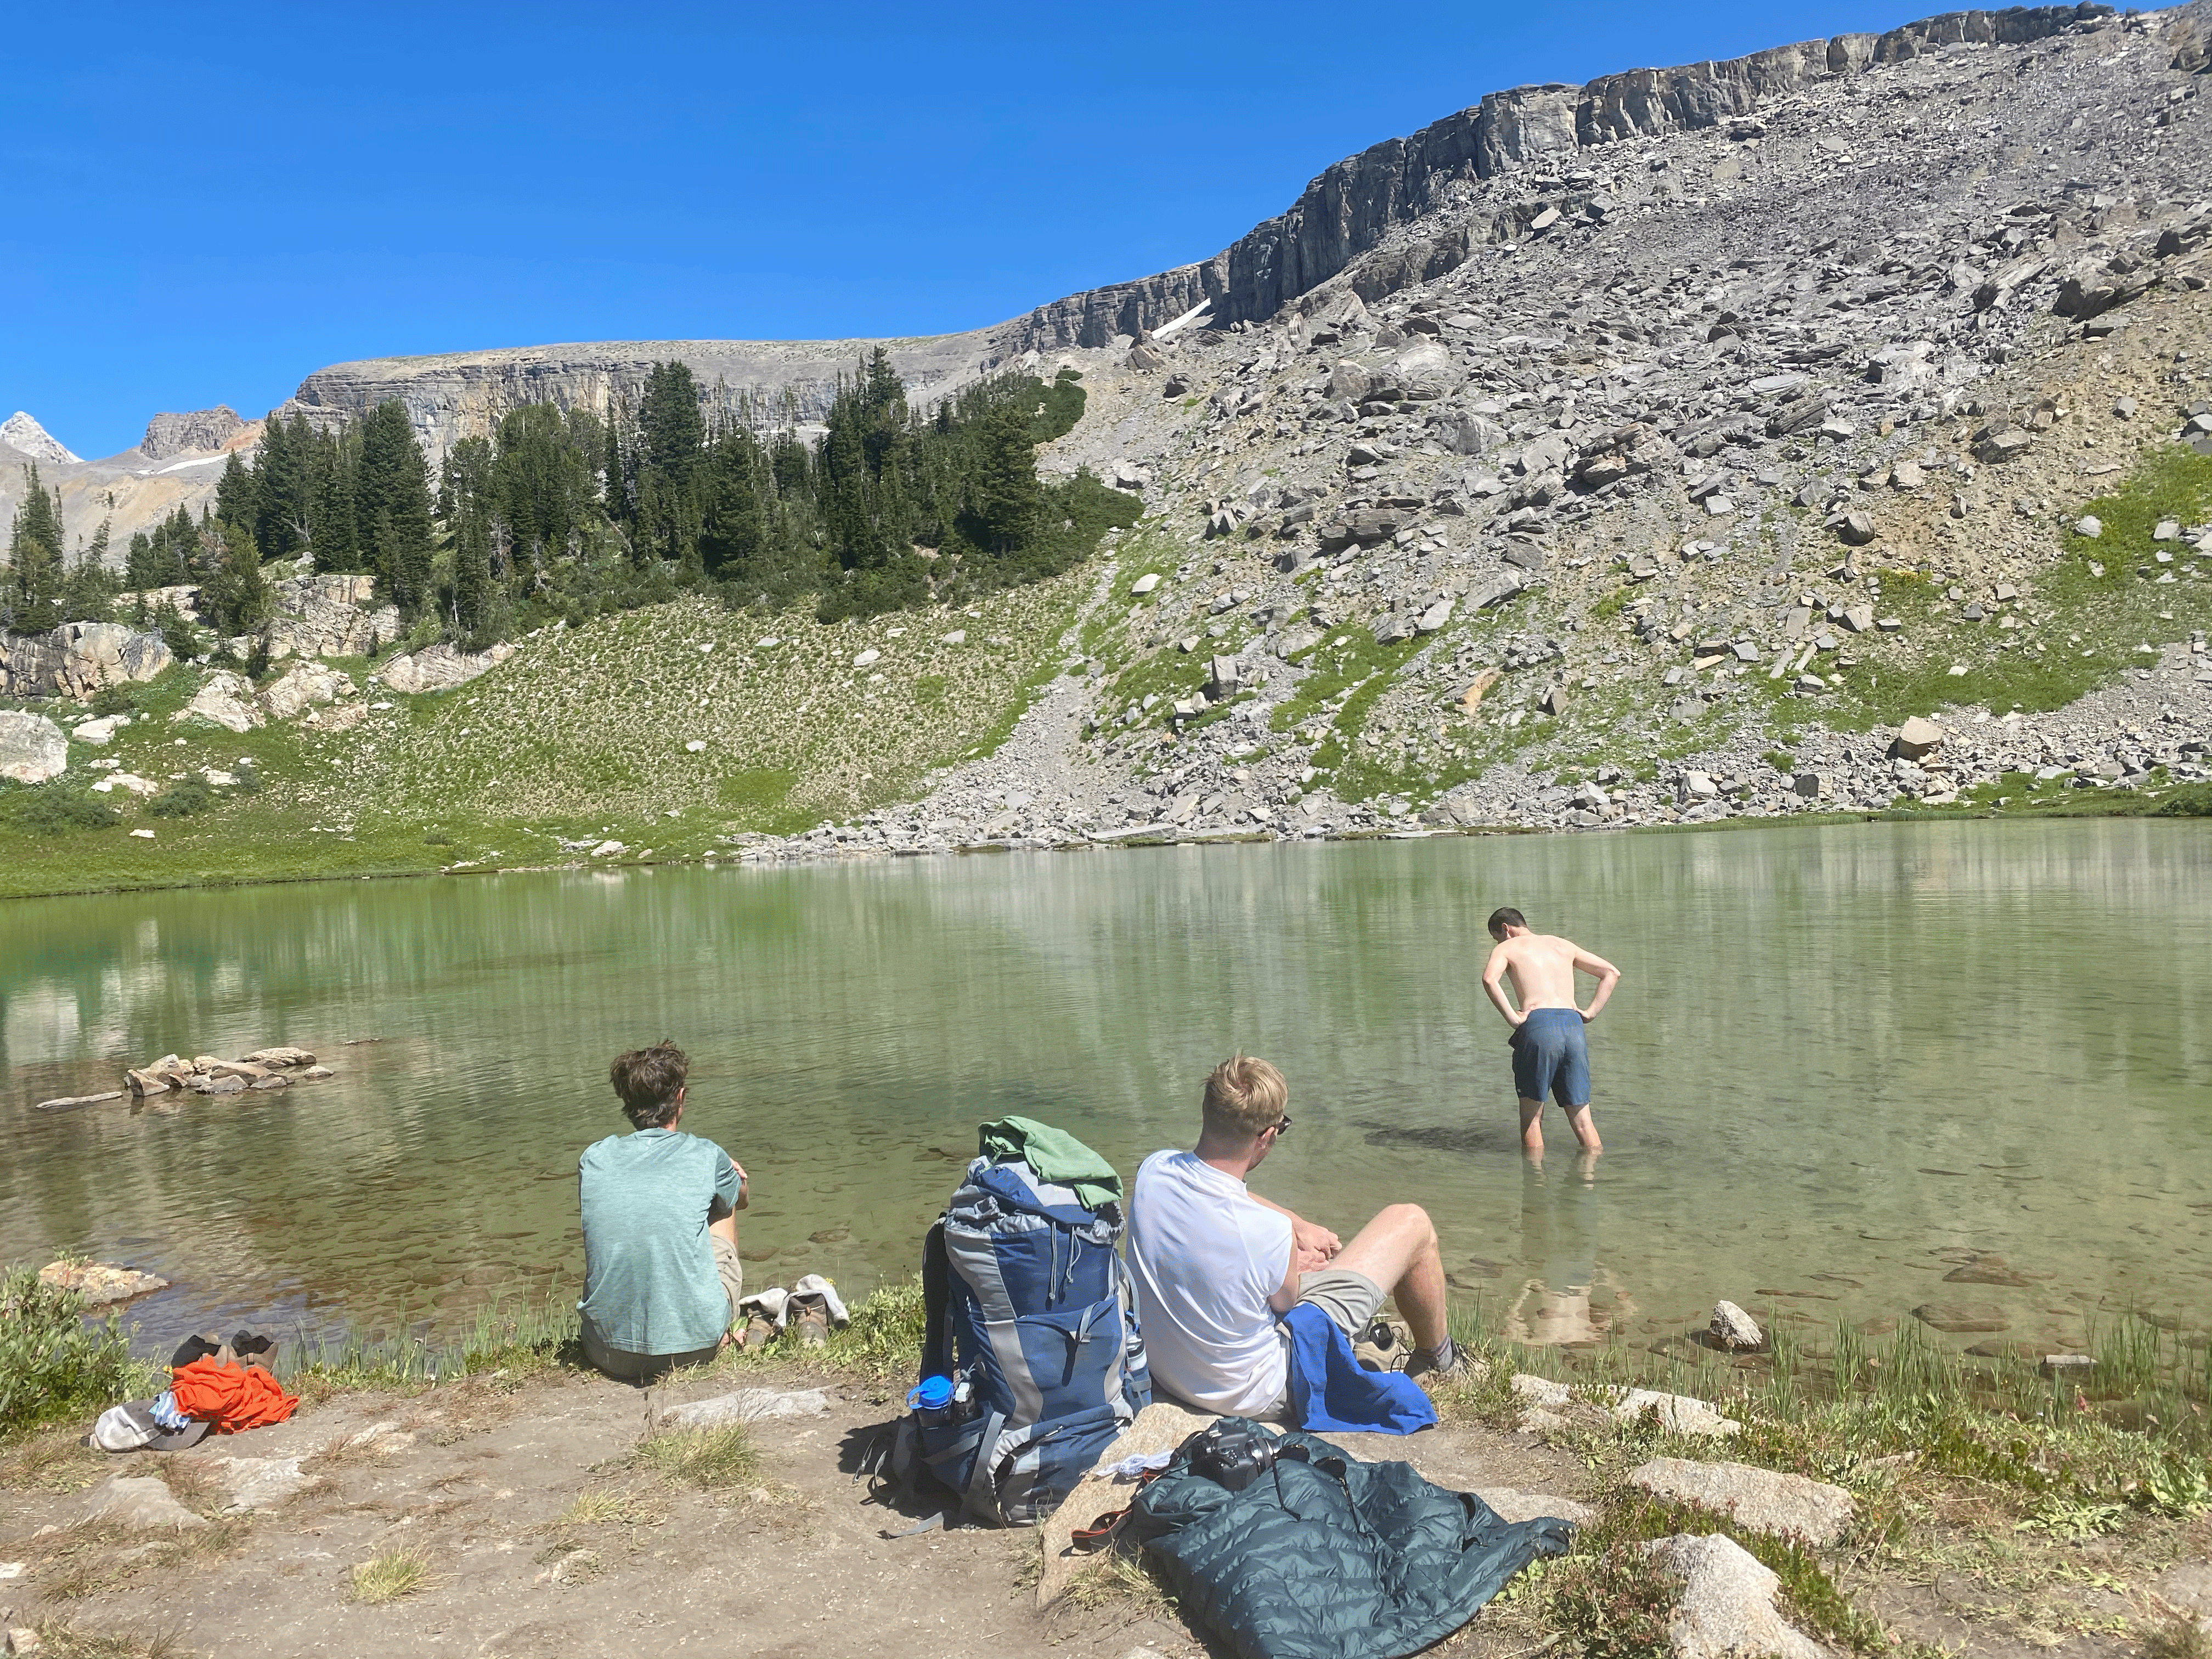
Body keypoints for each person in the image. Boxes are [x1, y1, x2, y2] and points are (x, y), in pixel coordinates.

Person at [1126, 1054, 1466, 1419]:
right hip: (1253, 1394)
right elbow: (1286, 1307)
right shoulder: (1267, 1234)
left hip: (1168, 1371)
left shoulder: (1154, 1170)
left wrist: (1297, 1225)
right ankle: (1438, 1361)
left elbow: (1219, 1191)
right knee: (1411, 1222)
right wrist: (1295, 1262)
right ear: (1269, 1135)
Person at [577, 1040, 749, 1382]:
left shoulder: (593, 1158)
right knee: (723, 1205)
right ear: (681, 1098)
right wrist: (734, 1176)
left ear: (627, 1102)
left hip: (606, 1351)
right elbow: (740, 1199)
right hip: (695, 1349)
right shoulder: (706, 1154)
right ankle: (713, 1328)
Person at [1480, 907, 1621, 1156]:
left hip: (1539, 1026)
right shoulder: (1563, 945)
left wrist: (1513, 1018)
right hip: (1573, 1026)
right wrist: (1590, 1013)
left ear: (1506, 929)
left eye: (1497, 938)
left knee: (1532, 1120)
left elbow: (1490, 979)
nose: (1498, 943)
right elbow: (1611, 973)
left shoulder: (1507, 948)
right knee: (1583, 1121)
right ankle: (1591, 1179)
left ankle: (1535, 1187)